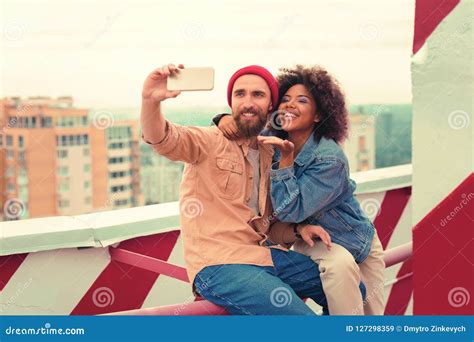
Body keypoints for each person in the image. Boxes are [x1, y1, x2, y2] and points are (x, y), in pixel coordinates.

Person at [140, 63, 360, 315]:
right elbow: (162, 137)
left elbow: (268, 225)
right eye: (240, 94)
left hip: (263, 256)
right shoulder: (208, 141)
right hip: (221, 265)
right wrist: (150, 101)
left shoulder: (270, 153)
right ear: (231, 103)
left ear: (270, 106)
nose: (247, 102)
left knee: (351, 290)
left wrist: (298, 230)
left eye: (257, 95)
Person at [215, 65, 385, 315]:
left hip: (357, 244)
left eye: (302, 100)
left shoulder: (329, 159)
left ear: (318, 115)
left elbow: (291, 209)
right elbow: (246, 123)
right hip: (311, 238)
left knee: (369, 326)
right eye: (285, 100)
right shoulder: (271, 142)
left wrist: (285, 162)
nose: (290, 105)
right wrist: (224, 119)